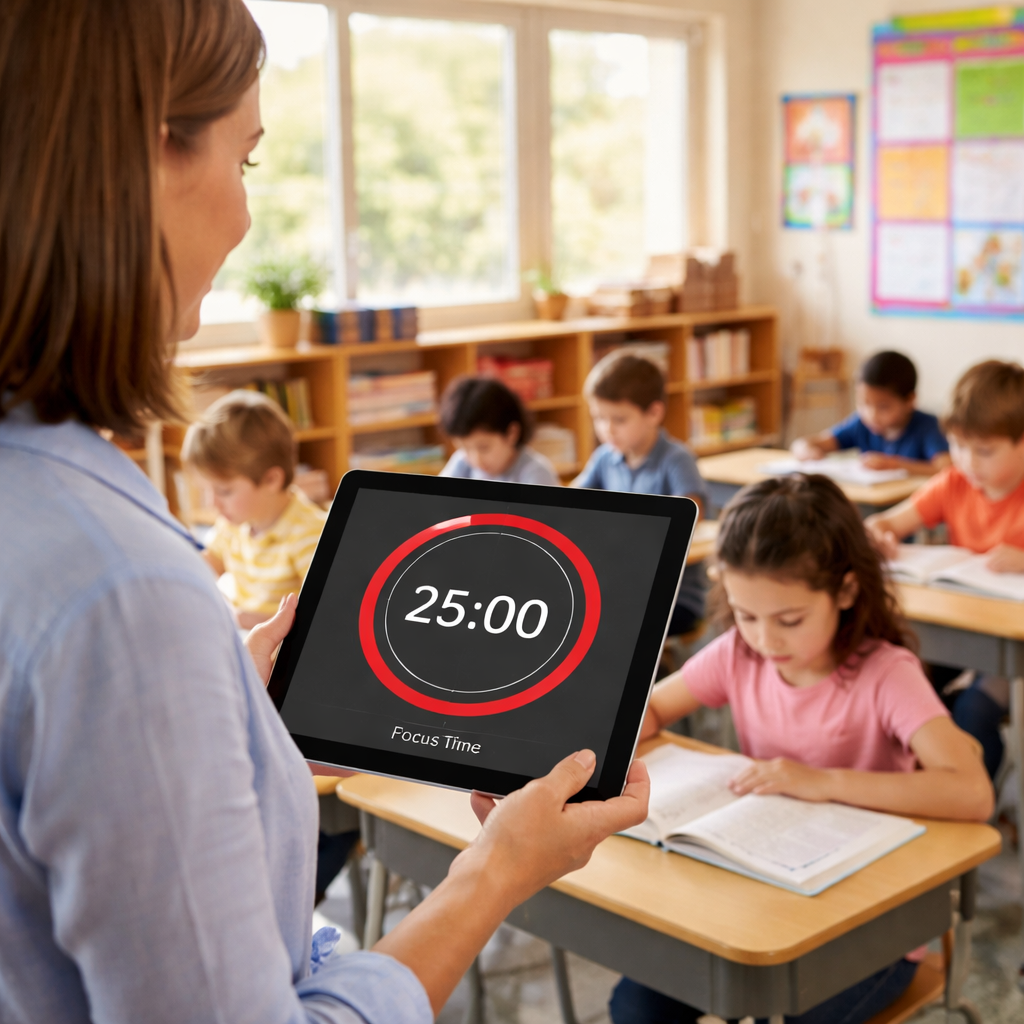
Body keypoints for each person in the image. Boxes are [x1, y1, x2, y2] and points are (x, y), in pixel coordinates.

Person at [0, 3, 649, 1022]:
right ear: (145, 158)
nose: (245, 218)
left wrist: (225, 708)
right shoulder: (122, 595)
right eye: (245, 160)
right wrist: (494, 871)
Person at [609, 474, 992, 1024]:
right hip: (766, 896)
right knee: (637, 1005)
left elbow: (972, 791)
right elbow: (652, 710)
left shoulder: (886, 674)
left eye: (789, 620)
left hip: (875, 923)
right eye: (746, 615)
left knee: (785, 1013)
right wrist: (613, 731)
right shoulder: (739, 654)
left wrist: (823, 782)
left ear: (846, 591)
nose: (766, 640)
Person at [866, 359, 1024, 779]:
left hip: (1013, 648)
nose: (968, 462)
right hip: (963, 626)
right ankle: (916, 787)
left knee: (974, 711)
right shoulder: (955, 483)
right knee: (908, 693)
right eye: (957, 445)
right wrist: (880, 534)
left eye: (984, 451)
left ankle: (976, 797)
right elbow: (884, 523)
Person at [574, 351, 708, 636]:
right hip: (621, 585)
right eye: (599, 418)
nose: (607, 429)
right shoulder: (605, 458)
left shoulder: (676, 459)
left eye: (619, 419)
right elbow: (572, 502)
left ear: (654, 413)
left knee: (605, 625)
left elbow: (692, 513)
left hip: (673, 597)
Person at [183, 389, 328, 629]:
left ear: (271, 480)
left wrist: (242, 619)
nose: (212, 504)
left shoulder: (311, 536)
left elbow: (321, 616)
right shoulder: (233, 523)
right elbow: (208, 565)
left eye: (224, 491)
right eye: (207, 490)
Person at [792, 350, 949, 476]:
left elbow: (946, 467)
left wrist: (895, 465)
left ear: (910, 400)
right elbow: (806, 443)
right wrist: (805, 449)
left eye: (883, 407)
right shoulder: (861, 424)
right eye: (864, 403)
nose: (871, 415)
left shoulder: (928, 427)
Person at [438, 375, 560, 485]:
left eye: (484, 448)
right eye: (464, 448)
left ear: (512, 433)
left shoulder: (536, 475)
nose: (476, 460)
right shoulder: (462, 462)